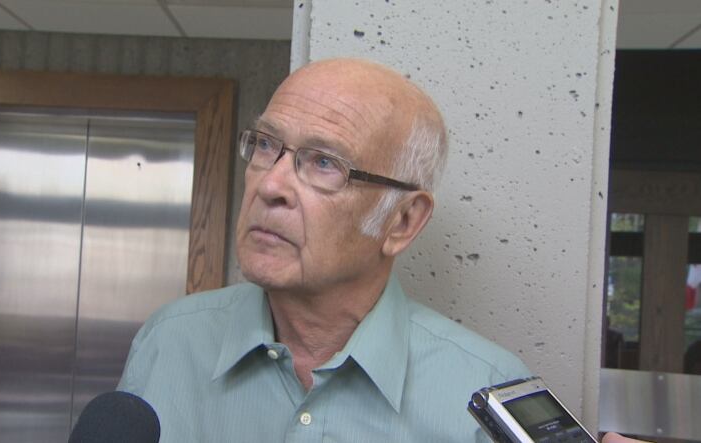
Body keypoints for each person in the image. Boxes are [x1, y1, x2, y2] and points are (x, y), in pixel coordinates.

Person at [116, 58, 619, 442]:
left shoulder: (485, 388)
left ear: (402, 221)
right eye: (267, 145)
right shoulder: (169, 341)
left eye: (325, 163)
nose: (271, 185)